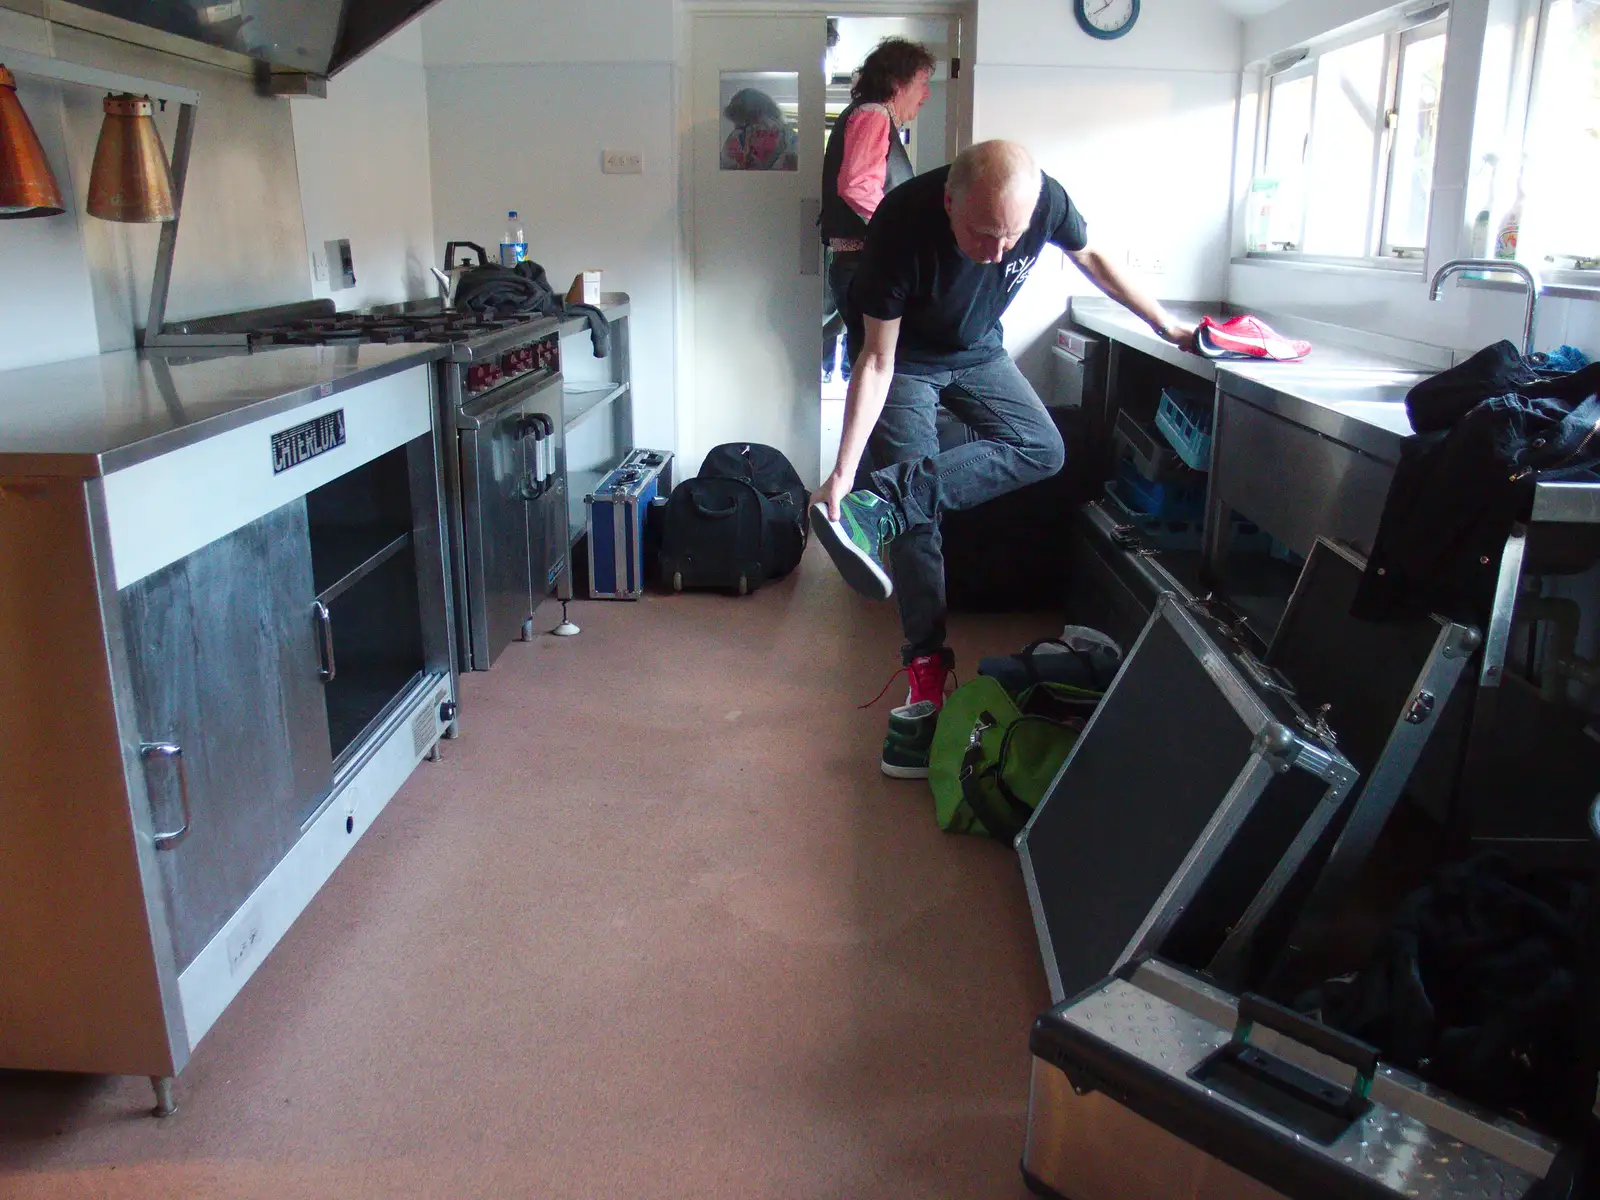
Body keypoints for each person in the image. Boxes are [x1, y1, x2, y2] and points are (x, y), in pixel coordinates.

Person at [809, 140, 1197, 779]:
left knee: (1043, 448)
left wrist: (1165, 326)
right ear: (948, 202)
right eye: (983, 234)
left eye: (1013, 238)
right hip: (905, 360)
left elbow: (1092, 254)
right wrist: (844, 472)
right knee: (919, 525)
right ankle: (926, 666)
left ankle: (880, 506)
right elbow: (876, 360)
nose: (998, 253)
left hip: (978, 351)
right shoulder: (900, 225)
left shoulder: (1046, 202)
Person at [820, 37, 937, 381]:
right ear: (898, 83)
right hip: (864, 265)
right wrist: (901, 233)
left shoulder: (872, 116)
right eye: (923, 83)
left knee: (871, 361)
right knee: (877, 366)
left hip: (859, 265)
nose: (926, 94)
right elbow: (856, 185)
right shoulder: (873, 115)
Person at [719, 88, 799, 172]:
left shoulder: (790, 139)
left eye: (752, 123)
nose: (749, 134)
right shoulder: (736, 137)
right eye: (740, 126)